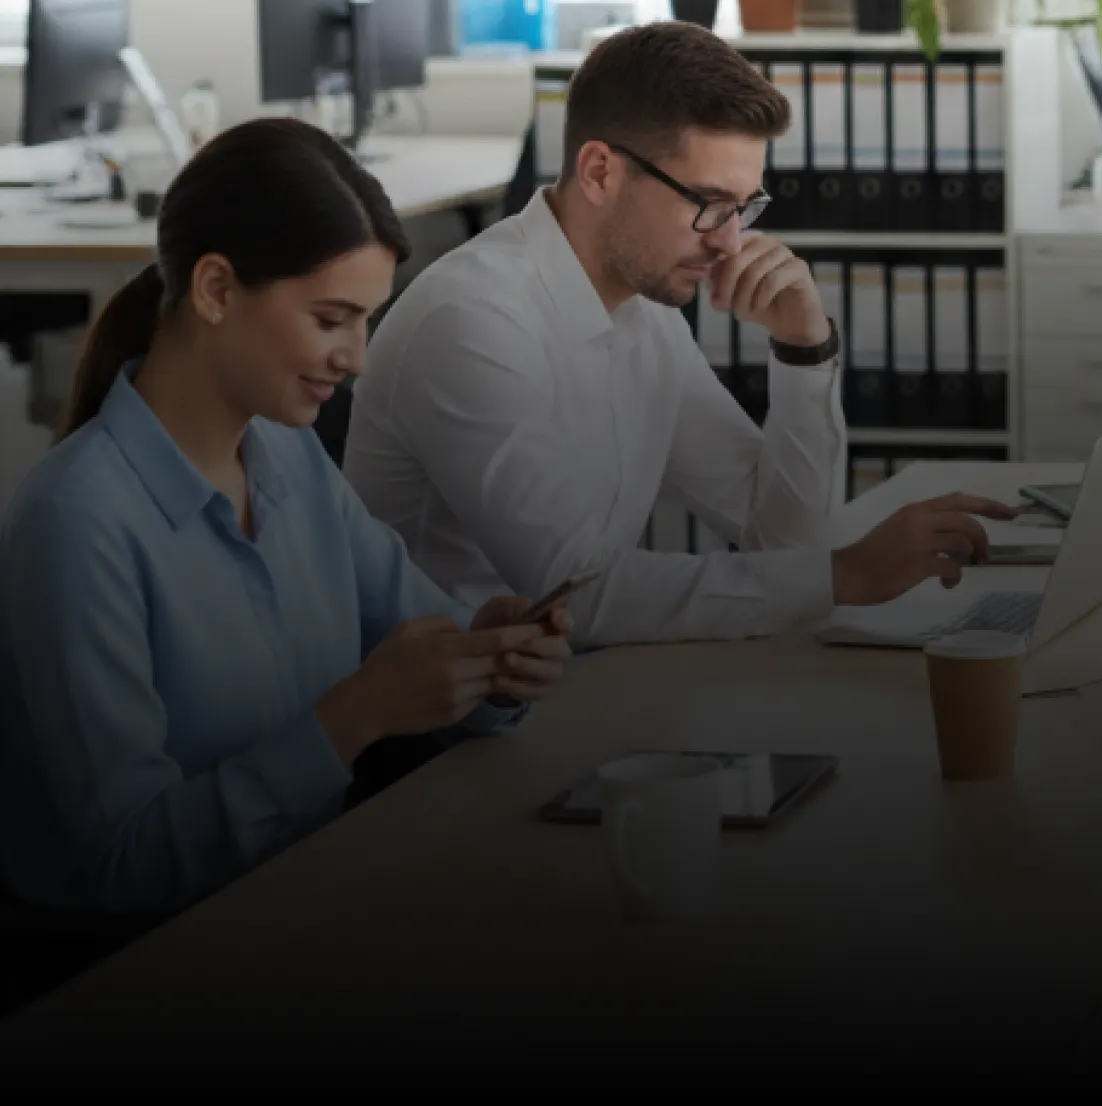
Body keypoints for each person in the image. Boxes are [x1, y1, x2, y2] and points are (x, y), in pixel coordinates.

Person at [0, 119, 576, 930]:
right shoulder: (76, 523)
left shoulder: (291, 461)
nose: (358, 359)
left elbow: (427, 644)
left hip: (317, 903)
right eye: (331, 319)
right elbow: (125, 862)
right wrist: (356, 715)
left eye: (367, 321)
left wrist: (491, 663)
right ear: (215, 290)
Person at [343, 21, 1013, 649]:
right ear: (600, 172)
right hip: (446, 734)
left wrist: (805, 351)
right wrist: (849, 575)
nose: (730, 243)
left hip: (571, 689)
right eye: (708, 206)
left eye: (744, 208)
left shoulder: (643, 312)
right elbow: (574, 593)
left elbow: (780, 537)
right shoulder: (472, 324)